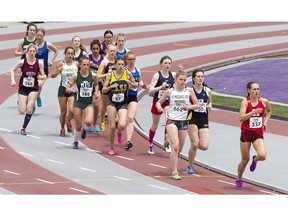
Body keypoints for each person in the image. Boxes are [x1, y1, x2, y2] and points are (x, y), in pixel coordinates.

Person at [155, 69, 199, 180]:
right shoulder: (170, 91)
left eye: (184, 80)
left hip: (183, 122)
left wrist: (188, 107)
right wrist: (159, 107)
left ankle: (167, 140)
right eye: (180, 80)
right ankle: (174, 171)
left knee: (179, 148)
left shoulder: (189, 91)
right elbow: (158, 102)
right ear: (176, 80)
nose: (183, 82)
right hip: (172, 120)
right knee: (175, 147)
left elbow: (197, 105)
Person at [236, 81, 272, 189]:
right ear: (249, 90)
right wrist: (253, 112)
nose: (257, 91)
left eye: (258, 89)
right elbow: (241, 118)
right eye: (254, 89)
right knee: (244, 159)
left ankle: (255, 160)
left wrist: (265, 122)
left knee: (262, 155)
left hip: (257, 133)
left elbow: (269, 111)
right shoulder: (245, 102)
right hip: (246, 133)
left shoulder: (264, 101)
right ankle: (239, 178)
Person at [102, 57, 136, 155]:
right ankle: (112, 147)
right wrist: (110, 87)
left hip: (123, 103)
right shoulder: (110, 75)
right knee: (112, 127)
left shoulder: (127, 74)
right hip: (112, 103)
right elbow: (103, 90)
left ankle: (120, 131)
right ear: (115, 65)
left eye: (122, 64)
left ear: (124, 65)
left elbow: (135, 85)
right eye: (119, 64)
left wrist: (130, 83)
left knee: (122, 124)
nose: (120, 66)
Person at [10, 43, 46, 135]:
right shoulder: (22, 62)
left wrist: (42, 79)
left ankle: (23, 128)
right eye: (30, 51)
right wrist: (13, 80)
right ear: (27, 52)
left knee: (29, 109)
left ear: (36, 52)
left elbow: (43, 75)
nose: (32, 53)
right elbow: (12, 70)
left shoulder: (39, 63)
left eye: (33, 51)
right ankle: (20, 101)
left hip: (33, 88)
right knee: (22, 111)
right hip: (23, 87)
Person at [66, 56, 99, 149]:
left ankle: (85, 130)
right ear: (80, 65)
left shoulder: (93, 75)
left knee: (88, 122)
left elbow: (96, 85)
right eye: (84, 65)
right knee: (78, 125)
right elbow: (67, 88)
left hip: (89, 102)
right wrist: (71, 90)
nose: (86, 66)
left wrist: (96, 93)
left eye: (88, 65)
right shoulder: (76, 76)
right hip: (78, 102)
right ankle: (75, 141)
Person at [186, 69, 212, 174]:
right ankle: (191, 165)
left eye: (202, 76)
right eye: (198, 76)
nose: (200, 78)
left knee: (204, 146)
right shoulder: (189, 90)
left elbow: (210, 103)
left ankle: (192, 150)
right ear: (193, 78)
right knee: (195, 144)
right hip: (192, 117)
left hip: (203, 118)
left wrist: (209, 106)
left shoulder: (207, 91)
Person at [147, 55, 175, 155]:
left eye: (169, 63)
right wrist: (161, 87)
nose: (167, 65)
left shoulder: (173, 75)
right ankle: (150, 143)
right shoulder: (157, 75)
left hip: (167, 103)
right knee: (155, 125)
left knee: (169, 121)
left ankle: (166, 142)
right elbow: (150, 91)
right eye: (165, 63)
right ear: (161, 64)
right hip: (157, 102)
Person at [51, 46, 78, 137]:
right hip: (63, 89)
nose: (70, 55)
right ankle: (62, 128)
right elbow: (52, 76)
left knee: (71, 110)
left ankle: (68, 121)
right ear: (65, 54)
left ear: (74, 55)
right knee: (63, 112)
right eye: (68, 53)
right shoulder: (61, 64)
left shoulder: (76, 64)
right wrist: (58, 71)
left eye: (72, 54)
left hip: (72, 90)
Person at [123, 51, 147, 150]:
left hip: (133, 97)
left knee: (131, 118)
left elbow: (139, 80)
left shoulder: (137, 70)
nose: (131, 61)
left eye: (133, 59)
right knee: (120, 121)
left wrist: (142, 85)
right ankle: (119, 129)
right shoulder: (124, 70)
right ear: (126, 60)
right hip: (123, 97)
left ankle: (128, 141)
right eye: (129, 59)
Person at [34, 27, 59, 108]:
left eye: (41, 35)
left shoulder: (47, 44)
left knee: (39, 85)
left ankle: (38, 97)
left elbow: (56, 51)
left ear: (44, 35)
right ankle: (33, 105)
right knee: (33, 87)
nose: (39, 37)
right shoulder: (33, 45)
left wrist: (51, 60)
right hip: (34, 68)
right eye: (38, 35)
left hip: (43, 69)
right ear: (36, 35)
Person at [97, 44, 117, 132]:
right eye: (111, 51)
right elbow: (97, 76)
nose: (112, 53)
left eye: (114, 51)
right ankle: (101, 120)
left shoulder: (117, 61)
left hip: (115, 88)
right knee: (104, 107)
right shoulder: (104, 62)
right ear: (107, 51)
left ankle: (114, 125)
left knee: (115, 107)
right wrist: (107, 75)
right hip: (106, 87)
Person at [87, 39, 105, 133]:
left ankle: (95, 123)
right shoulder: (88, 58)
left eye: (97, 48)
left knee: (96, 104)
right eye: (93, 49)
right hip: (89, 83)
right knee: (88, 104)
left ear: (99, 49)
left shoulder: (103, 59)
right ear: (91, 49)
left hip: (99, 83)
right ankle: (88, 123)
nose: (95, 50)